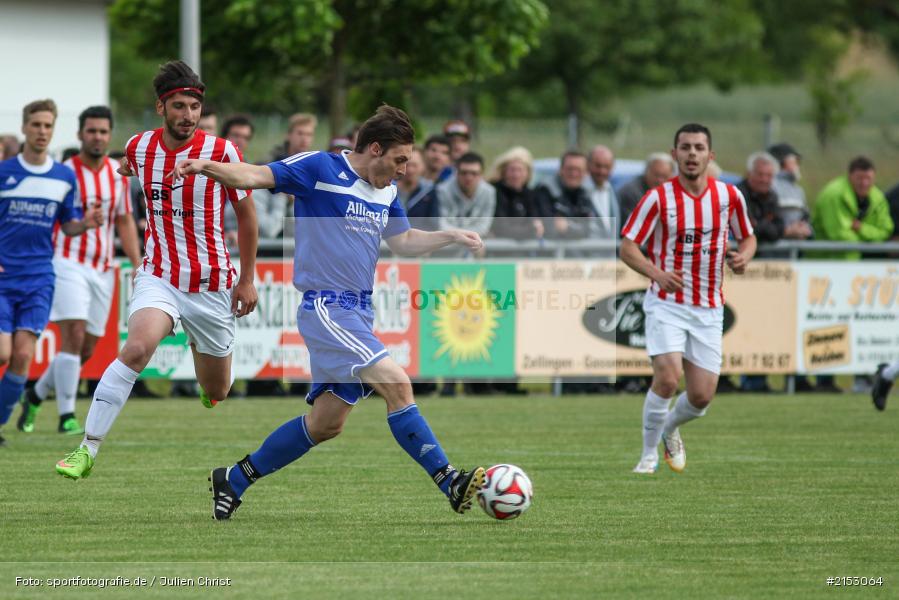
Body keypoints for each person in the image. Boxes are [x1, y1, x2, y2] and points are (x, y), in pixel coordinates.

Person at [169, 104, 487, 519]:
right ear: (375, 148)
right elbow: (255, 175)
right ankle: (450, 481)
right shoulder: (319, 168)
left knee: (326, 424)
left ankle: (234, 478)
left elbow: (404, 241)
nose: (404, 170)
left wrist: (450, 236)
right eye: (400, 159)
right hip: (327, 306)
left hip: (359, 310)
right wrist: (204, 167)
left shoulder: (387, 191)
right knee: (398, 384)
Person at [54, 60, 259, 479]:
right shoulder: (137, 147)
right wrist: (131, 169)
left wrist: (248, 278)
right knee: (135, 349)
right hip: (159, 275)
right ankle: (87, 448)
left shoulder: (222, 152)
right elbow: (132, 165)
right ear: (161, 108)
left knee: (217, 388)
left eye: (194, 107)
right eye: (179, 106)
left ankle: (206, 373)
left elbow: (248, 217)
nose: (188, 115)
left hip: (211, 282)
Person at [620, 123, 756, 475]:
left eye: (698, 148)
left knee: (700, 397)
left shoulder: (728, 196)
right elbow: (628, 247)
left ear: (710, 156)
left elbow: (749, 237)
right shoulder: (658, 198)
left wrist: (744, 256)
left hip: (709, 308)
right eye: (685, 147)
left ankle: (669, 427)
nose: (692, 153)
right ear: (674, 154)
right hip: (666, 303)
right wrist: (657, 274)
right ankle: (648, 456)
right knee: (667, 378)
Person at [16, 106, 142, 436]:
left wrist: (137, 261)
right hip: (66, 260)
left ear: (109, 135)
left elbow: (125, 220)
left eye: (103, 131)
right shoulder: (64, 172)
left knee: (85, 349)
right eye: (91, 131)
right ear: (79, 134)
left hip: (103, 268)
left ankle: (35, 394)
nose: (97, 137)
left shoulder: (118, 173)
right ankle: (67, 416)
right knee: (71, 335)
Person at [0, 99, 103, 446]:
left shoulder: (63, 176)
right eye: (36, 125)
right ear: (25, 128)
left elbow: (68, 225)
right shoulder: (4, 171)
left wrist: (85, 224)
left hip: (39, 277)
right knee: (3, 353)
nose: (42, 131)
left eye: (48, 126)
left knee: (23, 356)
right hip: (3, 276)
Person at [811, 156, 893, 260]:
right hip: (826, 263)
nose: (864, 183)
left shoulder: (878, 197)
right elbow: (839, 234)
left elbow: (885, 231)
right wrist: (869, 240)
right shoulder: (833, 195)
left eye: (868, 178)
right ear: (849, 176)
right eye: (859, 178)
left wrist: (861, 229)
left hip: (863, 265)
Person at [535, 151, 596, 239]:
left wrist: (568, 227)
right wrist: (577, 228)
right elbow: (550, 229)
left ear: (586, 172)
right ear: (560, 169)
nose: (574, 174)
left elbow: (589, 229)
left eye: (578, 170)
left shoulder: (586, 192)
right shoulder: (545, 190)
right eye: (570, 169)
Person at [488, 145, 544, 240]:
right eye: (512, 170)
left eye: (520, 170)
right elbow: (501, 229)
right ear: (504, 171)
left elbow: (536, 222)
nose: (516, 175)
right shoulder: (494, 192)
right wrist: (531, 230)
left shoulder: (530, 194)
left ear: (527, 173)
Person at [768, 143, 812, 240]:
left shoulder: (798, 190)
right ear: (781, 162)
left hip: (795, 249)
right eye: (795, 161)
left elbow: (806, 216)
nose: (798, 166)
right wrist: (786, 231)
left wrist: (804, 228)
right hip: (772, 250)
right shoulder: (768, 185)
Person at [737, 152, 784, 244]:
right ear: (749, 174)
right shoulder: (738, 195)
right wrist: (767, 221)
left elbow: (779, 231)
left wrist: (759, 224)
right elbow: (747, 231)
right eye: (760, 174)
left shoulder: (772, 196)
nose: (764, 180)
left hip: (768, 254)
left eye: (769, 175)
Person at [617, 153, 675, 221]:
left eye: (664, 176)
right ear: (646, 172)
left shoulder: (673, 192)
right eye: (656, 175)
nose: (660, 180)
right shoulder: (630, 192)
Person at [585, 145, 620, 238]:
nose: (602, 171)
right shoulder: (580, 191)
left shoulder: (613, 190)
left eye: (607, 167)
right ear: (588, 165)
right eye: (598, 166)